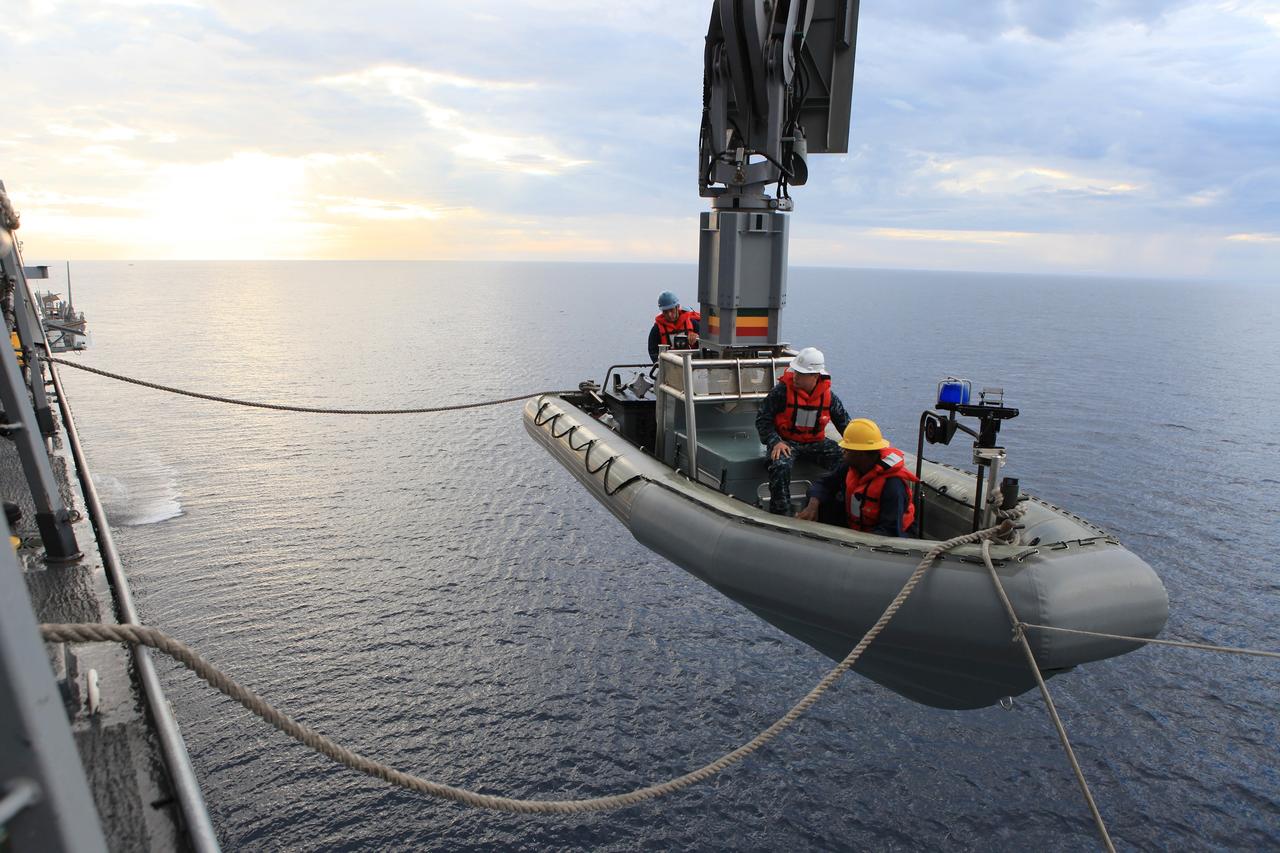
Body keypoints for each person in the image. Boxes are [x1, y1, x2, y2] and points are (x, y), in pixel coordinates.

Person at [755, 347, 851, 515]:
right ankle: (781, 512)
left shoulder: (829, 397)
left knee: (845, 462)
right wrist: (775, 441)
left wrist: (852, 447)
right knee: (780, 465)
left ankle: (836, 506)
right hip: (786, 442)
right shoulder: (781, 392)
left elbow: (845, 424)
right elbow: (763, 419)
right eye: (796, 372)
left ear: (815, 376)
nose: (796, 376)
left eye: (801, 373)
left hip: (816, 443)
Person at [796, 418, 920, 537]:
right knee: (819, 501)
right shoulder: (851, 468)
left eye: (847, 450)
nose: (843, 452)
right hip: (857, 528)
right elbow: (824, 484)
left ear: (860, 454)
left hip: (885, 538)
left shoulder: (892, 486)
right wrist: (813, 505)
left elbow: (889, 532)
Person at [648, 290, 701, 362]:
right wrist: (660, 364)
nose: (669, 314)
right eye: (665, 312)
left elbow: (706, 343)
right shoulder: (656, 329)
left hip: (692, 364)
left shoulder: (693, 323)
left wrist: (697, 337)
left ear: (678, 307)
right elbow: (653, 351)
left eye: (671, 310)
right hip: (669, 366)